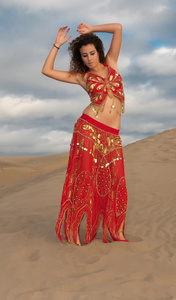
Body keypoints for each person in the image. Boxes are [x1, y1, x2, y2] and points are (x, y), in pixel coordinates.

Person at [42, 23, 128, 246]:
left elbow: (118, 28)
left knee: (117, 180)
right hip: (88, 129)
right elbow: (47, 71)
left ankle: (116, 230)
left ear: (99, 51)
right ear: (81, 58)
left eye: (92, 53)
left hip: (112, 135)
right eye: (84, 55)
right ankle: (74, 231)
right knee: (85, 179)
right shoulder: (82, 76)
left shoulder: (112, 63)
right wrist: (56, 45)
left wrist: (92, 28)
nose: (89, 58)